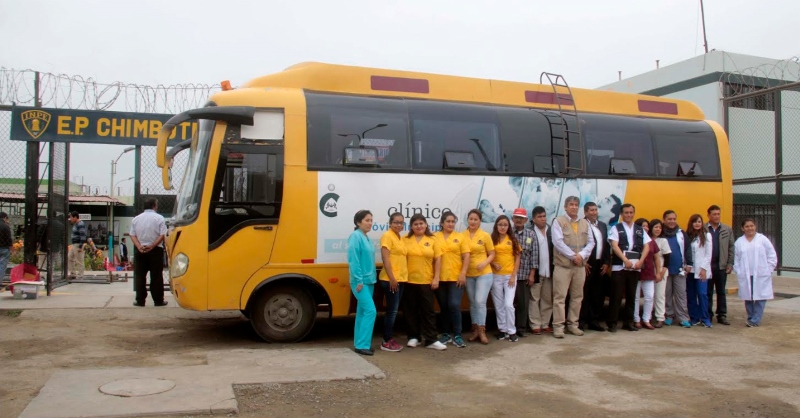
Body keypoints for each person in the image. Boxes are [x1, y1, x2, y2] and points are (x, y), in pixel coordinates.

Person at [550, 196, 595, 338]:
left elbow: (591, 242)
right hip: (563, 266)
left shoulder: (584, 223)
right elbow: (558, 242)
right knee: (560, 297)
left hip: (579, 267)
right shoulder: (558, 222)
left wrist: (581, 256)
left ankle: (573, 325)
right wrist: (572, 256)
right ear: (565, 207)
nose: (574, 207)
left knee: (577, 296)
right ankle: (558, 327)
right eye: (571, 205)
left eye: (576, 205)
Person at [403, 214, 446, 350]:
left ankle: (431, 340)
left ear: (426, 225)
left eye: (421, 223)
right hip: (409, 280)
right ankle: (413, 337)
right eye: (415, 224)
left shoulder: (432, 239)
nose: (419, 226)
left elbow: (438, 259)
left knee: (428, 311)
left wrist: (436, 278)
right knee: (410, 311)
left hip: (427, 280)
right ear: (411, 227)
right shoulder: (405, 239)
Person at [607, 204, 650, 332]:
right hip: (619, 267)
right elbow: (614, 245)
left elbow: (647, 245)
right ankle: (612, 323)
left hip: (635, 267)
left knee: (632, 296)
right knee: (616, 296)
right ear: (621, 214)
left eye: (631, 212)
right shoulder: (616, 228)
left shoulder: (639, 229)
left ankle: (628, 322)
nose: (629, 215)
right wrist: (625, 260)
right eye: (626, 212)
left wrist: (641, 261)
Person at [434, 211, 470, 348]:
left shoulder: (460, 237)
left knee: (454, 305)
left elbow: (466, 256)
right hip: (440, 277)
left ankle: (458, 335)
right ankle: (445, 334)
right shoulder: (434, 237)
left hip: (456, 277)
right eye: (448, 221)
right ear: (442, 223)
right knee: (444, 307)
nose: (450, 224)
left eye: (453, 221)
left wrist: (463, 273)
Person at [733, 219, 778, 327]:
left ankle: (755, 320)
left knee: (760, 297)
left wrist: (768, 269)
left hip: (761, 274)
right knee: (748, 297)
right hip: (745, 274)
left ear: (755, 226)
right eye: (747, 226)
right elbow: (736, 259)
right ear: (742, 228)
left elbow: (772, 255)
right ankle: (751, 317)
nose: (750, 228)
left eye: (751, 226)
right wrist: (738, 271)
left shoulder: (762, 239)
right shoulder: (739, 242)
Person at [347, 210, 378, 356]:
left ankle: (359, 343)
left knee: (363, 312)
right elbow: (354, 260)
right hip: (360, 282)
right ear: (358, 222)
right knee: (371, 311)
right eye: (367, 220)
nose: (370, 223)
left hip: (369, 281)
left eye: (371, 220)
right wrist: (358, 280)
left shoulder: (366, 237)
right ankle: (362, 345)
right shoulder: (355, 236)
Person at [464, 209, 495, 345]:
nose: (473, 221)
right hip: (469, 274)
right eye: (471, 219)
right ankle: (475, 330)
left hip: (484, 273)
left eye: (476, 219)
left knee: (480, 301)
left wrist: (484, 263)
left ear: (480, 221)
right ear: (467, 220)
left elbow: (492, 254)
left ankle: (482, 330)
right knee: (472, 303)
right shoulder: (462, 235)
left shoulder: (485, 235)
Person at [130, 198, 168, 307]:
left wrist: (139, 246)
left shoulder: (136, 219)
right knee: (156, 276)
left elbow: (132, 234)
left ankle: (140, 300)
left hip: (140, 250)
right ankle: (158, 300)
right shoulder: (159, 218)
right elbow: (162, 234)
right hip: (155, 250)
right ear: (154, 206)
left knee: (140, 276)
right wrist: (152, 245)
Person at [378, 212, 408, 352]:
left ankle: (389, 338)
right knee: (392, 311)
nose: (399, 225)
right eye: (396, 222)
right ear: (390, 223)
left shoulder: (400, 238)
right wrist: (392, 278)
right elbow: (386, 258)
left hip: (400, 279)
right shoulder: (387, 236)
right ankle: (386, 341)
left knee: (394, 310)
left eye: (401, 222)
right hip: (391, 280)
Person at [490, 215, 522, 342]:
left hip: (510, 276)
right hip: (495, 276)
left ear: (508, 227)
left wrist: (513, 275)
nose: (502, 227)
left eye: (505, 225)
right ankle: (502, 330)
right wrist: (493, 263)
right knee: (499, 305)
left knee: (508, 304)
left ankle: (512, 331)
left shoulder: (513, 240)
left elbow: (518, 258)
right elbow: (486, 255)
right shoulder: (492, 239)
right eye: (500, 224)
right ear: (496, 226)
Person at [581, 202, 610, 332]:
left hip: (599, 264)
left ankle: (594, 320)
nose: (594, 212)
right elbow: (579, 244)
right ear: (585, 212)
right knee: (583, 293)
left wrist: (606, 262)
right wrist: (583, 261)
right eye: (591, 210)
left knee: (597, 294)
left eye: (595, 210)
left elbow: (606, 245)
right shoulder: (581, 224)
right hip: (587, 264)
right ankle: (581, 321)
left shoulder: (602, 225)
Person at [511, 208, 538, 337]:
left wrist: (532, 274)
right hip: (508, 275)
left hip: (524, 275)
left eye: (521, 218)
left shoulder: (531, 235)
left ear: (526, 220)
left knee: (523, 303)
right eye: (516, 217)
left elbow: (534, 255)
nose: (518, 220)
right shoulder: (508, 233)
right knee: (509, 303)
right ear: (512, 219)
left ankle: (521, 328)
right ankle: (508, 328)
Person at [662, 210, 691, 328]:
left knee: (681, 295)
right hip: (665, 269)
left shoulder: (681, 233)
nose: (672, 221)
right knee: (666, 294)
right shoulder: (660, 233)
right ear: (664, 220)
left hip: (679, 269)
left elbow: (687, 250)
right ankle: (669, 315)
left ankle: (683, 318)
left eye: (674, 219)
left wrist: (689, 264)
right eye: (669, 219)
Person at [706, 205, 734, 325]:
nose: (717, 216)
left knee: (721, 291)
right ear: (709, 215)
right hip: (708, 266)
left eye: (718, 214)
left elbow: (731, 247)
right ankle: (708, 314)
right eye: (714, 214)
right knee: (708, 292)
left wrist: (730, 263)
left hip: (721, 266)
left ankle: (722, 315)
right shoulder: (703, 229)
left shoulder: (727, 229)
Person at [529, 206, 554, 335]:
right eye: (539, 217)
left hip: (549, 271)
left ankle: (545, 323)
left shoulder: (551, 230)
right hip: (536, 272)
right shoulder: (530, 232)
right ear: (533, 219)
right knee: (534, 299)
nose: (543, 219)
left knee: (547, 298)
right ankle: (535, 324)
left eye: (544, 216)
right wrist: (531, 273)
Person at [686, 214, 713, 328]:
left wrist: (704, 269)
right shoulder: (687, 236)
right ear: (691, 223)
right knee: (691, 295)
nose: (697, 224)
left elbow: (708, 254)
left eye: (699, 222)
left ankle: (705, 318)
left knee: (702, 294)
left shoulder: (707, 236)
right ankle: (694, 317)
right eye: (695, 222)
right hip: (690, 270)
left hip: (702, 270)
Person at [633, 218, 659, 330]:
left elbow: (656, 258)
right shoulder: (634, 239)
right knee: (636, 297)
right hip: (636, 271)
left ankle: (646, 319)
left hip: (648, 272)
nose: (646, 228)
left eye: (647, 226)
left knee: (649, 297)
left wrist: (658, 272)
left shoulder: (651, 241)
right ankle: (636, 319)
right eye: (643, 226)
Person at [649, 219, 672, 328]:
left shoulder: (663, 241)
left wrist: (662, 272)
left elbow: (667, 258)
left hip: (661, 271)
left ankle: (660, 318)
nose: (658, 229)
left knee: (659, 295)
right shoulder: (647, 239)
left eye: (659, 227)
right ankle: (648, 317)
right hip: (649, 271)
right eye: (655, 227)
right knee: (650, 296)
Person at [67, 211, 87, 279]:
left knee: (79, 260)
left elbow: (83, 235)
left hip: (78, 244)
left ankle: (80, 275)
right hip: (74, 244)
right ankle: (73, 273)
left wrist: (81, 246)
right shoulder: (75, 224)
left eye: (71, 217)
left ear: (75, 217)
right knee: (70, 257)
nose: (71, 219)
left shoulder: (80, 224)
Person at [0, 212, 11, 281]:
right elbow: (8, 239)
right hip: (4, 248)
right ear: (4, 218)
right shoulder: (6, 226)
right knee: (2, 265)